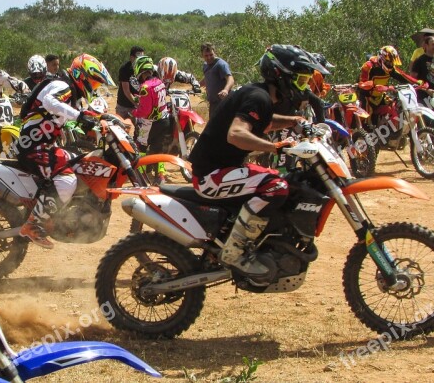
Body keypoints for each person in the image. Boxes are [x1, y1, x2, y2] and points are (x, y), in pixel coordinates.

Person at [188, 44, 327, 277]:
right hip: (211, 176)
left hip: (223, 170)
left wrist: (294, 121)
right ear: (282, 76)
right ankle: (235, 252)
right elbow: (236, 134)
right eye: (301, 81)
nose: (303, 87)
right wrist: (273, 147)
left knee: (280, 179)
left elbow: (266, 122)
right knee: (276, 187)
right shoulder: (258, 97)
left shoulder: (260, 96)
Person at [16, 53, 115, 249]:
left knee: (81, 163)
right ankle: (33, 224)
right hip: (32, 148)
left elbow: (85, 112)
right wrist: (78, 116)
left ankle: (62, 211)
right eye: (93, 83)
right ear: (82, 76)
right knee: (67, 181)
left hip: (42, 145)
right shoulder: (62, 84)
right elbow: (49, 102)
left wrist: (106, 120)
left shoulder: (68, 89)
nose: (93, 88)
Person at [132, 56, 171, 184]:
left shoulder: (145, 87)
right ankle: (160, 176)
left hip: (149, 124)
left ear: (139, 69)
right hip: (164, 120)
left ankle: (141, 174)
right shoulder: (159, 82)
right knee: (159, 148)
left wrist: (134, 112)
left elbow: (145, 111)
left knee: (141, 147)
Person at [357, 46, 413, 135]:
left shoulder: (391, 68)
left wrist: (417, 83)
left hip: (380, 95)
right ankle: (366, 137)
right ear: (382, 59)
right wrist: (370, 85)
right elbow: (360, 83)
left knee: (393, 108)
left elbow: (402, 76)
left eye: (392, 62)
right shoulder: (368, 66)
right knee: (367, 119)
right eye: (389, 62)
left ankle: (390, 133)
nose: (391, 65)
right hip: (367, 96)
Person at [201, 42, 235, 119]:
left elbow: (230, 79)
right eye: (206, 55)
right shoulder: (205, 65)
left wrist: (225, 90)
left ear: (215, 53)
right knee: (213, 127)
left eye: (211, 55)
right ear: (202, 55)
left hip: (223, 103)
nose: (209, 57)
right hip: (213, 103)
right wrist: (195, 85)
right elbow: (207, 78)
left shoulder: (221, 64)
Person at [410, 35, 434, 104]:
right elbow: (413, 79)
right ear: (426, 45)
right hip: (422, 98)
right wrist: (426, 90)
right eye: (433, 44)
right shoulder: (419, 60)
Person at [116, 46, 144, 120]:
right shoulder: (125, 69)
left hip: (137, 105)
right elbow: (126, 91)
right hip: (123, 105)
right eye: (138, 58)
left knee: (138, 129)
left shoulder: (144, 69)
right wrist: (136, 104)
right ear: (132, 57)